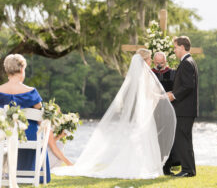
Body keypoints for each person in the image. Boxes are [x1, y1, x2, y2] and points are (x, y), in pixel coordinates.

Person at [52, 48, 176, 179]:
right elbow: (148, 94)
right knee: (145, 139)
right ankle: (141, 167)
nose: (151, 61)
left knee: (142, 139)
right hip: (146, 113)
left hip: (145, 112)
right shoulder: (145, 75)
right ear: (145, 60)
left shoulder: (140, 75)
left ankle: (141, 166)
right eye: (150, 58)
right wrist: (163, 97)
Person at [0, 54, 50, 183]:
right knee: (40, 134)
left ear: (7, 70)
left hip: (5, 136)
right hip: (29, 136)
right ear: (22, 69)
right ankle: (35, 175)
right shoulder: (31, 92)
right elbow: (41, 119)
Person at [164, 36, 199, 177]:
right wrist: (171, 92)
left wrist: (173, 96)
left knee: (183, 139)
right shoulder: (188, 62)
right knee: (185, 139)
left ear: (182, 47)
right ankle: (188, 169)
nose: (174, 50)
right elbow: (184, 85)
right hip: (185, 109)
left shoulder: (187, 63)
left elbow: (188, 86)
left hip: (184, 109)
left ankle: (187, 170)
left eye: (175, 47)